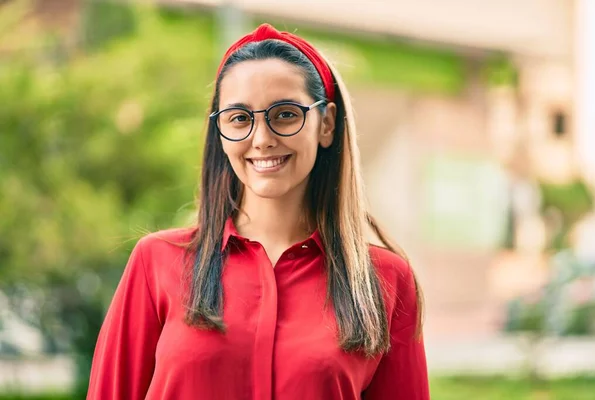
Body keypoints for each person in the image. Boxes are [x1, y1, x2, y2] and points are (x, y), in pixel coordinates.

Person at [87, 23, 429, 400]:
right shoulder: (156, 262)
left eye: (285, 114)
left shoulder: (384, 281)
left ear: (326, 123)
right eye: (239, 118)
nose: (262, 139)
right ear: (220, 131)